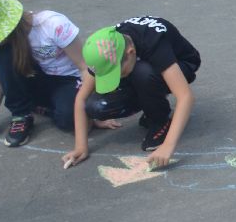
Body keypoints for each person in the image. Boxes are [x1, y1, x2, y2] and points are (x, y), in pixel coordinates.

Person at [64, 16, 201, 170]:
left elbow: (185, 96)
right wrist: (81, 146)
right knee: (96, 106)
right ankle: (149, 102)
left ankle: (160, 120)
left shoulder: (152, 42)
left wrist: (168, 146)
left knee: (142, 72)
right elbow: (82, 98)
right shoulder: (104, 51)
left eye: (117, 73)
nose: (116, 79)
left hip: (182, 65)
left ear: (130, 51)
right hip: (143, 67)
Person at [0, 0, 114, 148]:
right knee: (5, 56)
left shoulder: (51, 24)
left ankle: (43, 107)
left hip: (67, 79)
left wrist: (91, 107)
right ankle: (21, 115)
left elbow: (85, 68)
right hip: (33, 79)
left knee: (70, 120)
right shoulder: (1, 46)